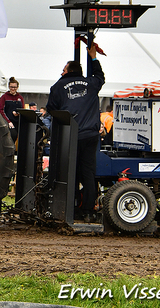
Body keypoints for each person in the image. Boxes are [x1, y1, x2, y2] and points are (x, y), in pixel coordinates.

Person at [46, 45, 105, 223]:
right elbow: (100, 76)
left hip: (70, 136)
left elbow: (51, 108)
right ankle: (88, 211)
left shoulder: (58, 85)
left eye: (63, 69)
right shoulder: (92, 83)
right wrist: (93, 58)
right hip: (90, 136)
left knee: (69, 172)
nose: (61, 72)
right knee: (88, 173)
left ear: (69, 71)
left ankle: (69, 208)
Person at [0, 77, 24, 142]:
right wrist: (8, 122)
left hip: (18, 121)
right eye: (11, 87)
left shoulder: (20, 98)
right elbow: (1, 110)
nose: (13, 89)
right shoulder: (4, 97)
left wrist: (18, 113)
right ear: (9, 87)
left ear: (17, 87)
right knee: (13, 135)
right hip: (8, 122)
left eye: (15, 87)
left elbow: (22, 109)